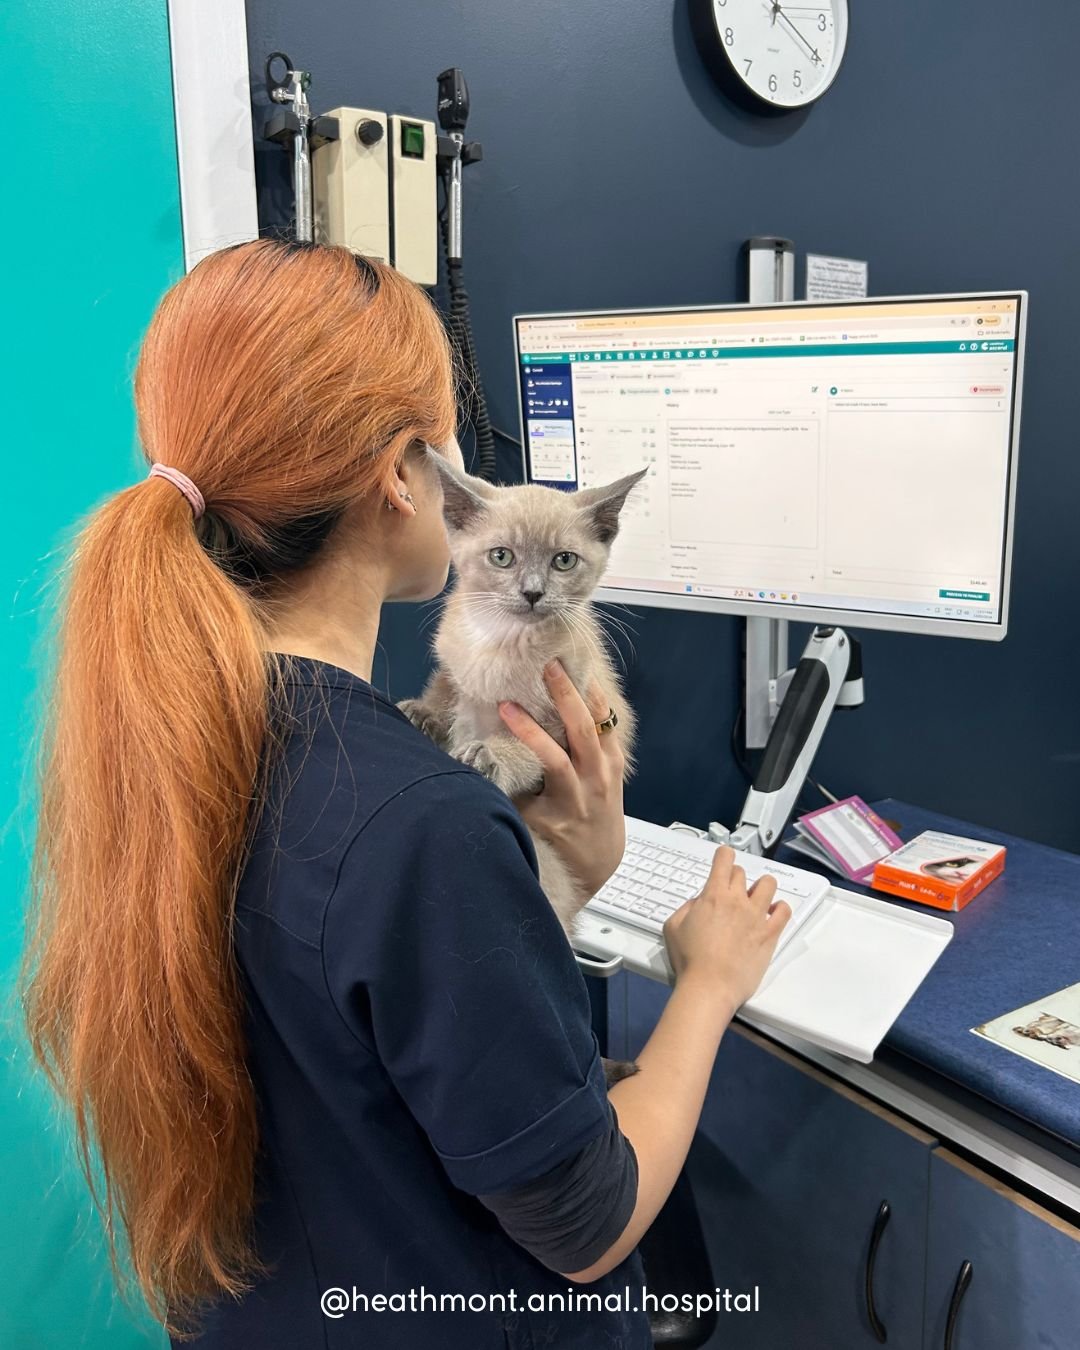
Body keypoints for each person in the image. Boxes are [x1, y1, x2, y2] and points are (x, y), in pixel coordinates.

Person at [23, 239, 790, 1348]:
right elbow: (587, 1224)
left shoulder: (184, 742)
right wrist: (709, 982)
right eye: (446, 451)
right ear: (398, 476)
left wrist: (581, 865)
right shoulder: (421, 824)